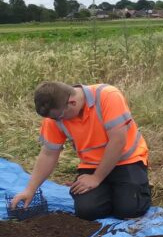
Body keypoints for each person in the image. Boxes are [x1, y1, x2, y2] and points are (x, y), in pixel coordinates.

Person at [11, 81, 151, 220]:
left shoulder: (108, 96)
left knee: (129, 210)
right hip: (91, 165)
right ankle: (112, 189)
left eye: (58, 117)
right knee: (88, 211)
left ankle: (131, 188)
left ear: (72, 103)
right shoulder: (55, 117)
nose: (55, 121)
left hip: (127, 160)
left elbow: (118, 142)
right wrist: (30, 190)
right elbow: (48, 154)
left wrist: (97, 178)